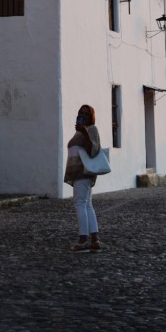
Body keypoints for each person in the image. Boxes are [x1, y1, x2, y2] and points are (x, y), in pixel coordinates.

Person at [63, 103, 102, 252]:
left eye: (86, 114)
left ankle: (83, 240)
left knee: (79, 203)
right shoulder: (78, 132)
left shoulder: (91, 129)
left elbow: (93, 150)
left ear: (91, 116)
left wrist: (85, 132)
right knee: (87, 204)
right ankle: (94, 239)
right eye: (81, 113)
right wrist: (81, 132)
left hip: (83, 172)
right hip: (80, 172)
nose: (83, 116)